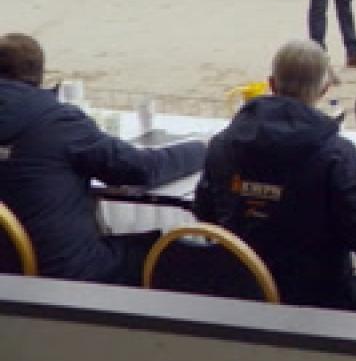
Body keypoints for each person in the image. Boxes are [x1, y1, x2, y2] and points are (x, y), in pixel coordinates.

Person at [192, 39, 356, 309]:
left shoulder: (223, 145)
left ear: (271, 84)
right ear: (324, 89)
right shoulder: (336, 155)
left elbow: (205, 213)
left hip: (240, 295)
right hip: (319, 303)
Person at [0, 33, 206, 286]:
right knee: (174, 254)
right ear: (39, 77)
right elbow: (141, 169)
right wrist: (202, 150)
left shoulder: (55, 123)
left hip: (10, 269)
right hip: (60, 273)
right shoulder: (58, 122)